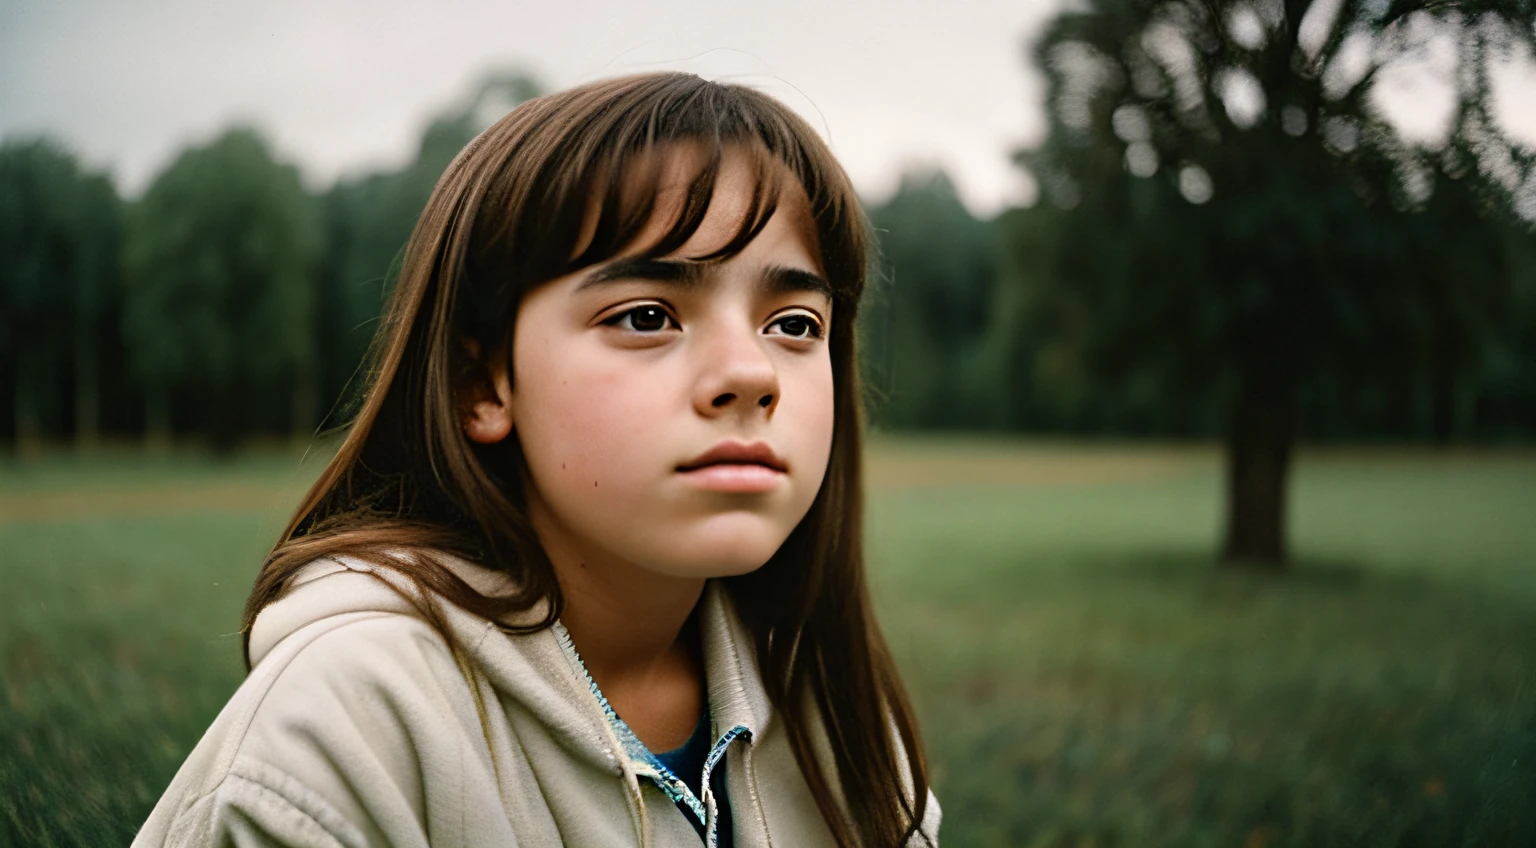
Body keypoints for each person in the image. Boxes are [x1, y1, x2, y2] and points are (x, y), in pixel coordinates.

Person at [132, 72, 939, 848]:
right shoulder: (347, 727)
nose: (751, 374)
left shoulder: (834, 711)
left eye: (795, 324)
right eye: (649, 314)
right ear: (483, 385)